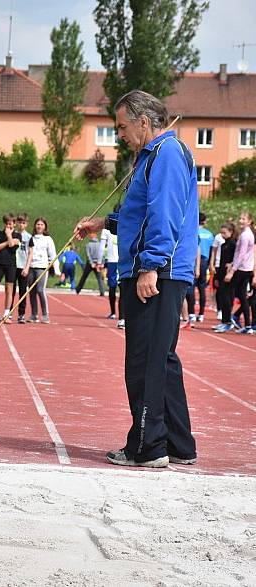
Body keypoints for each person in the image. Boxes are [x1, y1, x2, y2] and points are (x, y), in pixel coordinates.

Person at [76, 89, 198, 468]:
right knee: (162, 359)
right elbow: (140, 215)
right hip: (156, 266)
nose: (120, 135)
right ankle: (179, 444)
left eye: (122, 127)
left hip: (157, 270)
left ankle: (148, 447)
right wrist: (105, 223)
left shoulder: (165, 155)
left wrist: (151, 265)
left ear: (144, 122)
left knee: (145, 360)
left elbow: (165, 214)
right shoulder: (152, 158)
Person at [223, 212, 254, 334]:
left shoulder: (246, 235)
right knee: (242, 296)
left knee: (228, 292)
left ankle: (228, 321)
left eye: (244, 219)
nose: (241, 221)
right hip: (245, 267)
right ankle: (246, 325)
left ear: (249, 221)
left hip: (242, 268)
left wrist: (232, 270)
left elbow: (241, 254)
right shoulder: (246, 234)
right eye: (240, 218)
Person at [23, 217, 58, 324]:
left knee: (40, 290)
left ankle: (45, 314)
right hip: (31, 267)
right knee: (31, 291)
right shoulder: (31, 238)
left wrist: (56, 268)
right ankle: (34, 315)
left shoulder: (48, 239)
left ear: (45, 227)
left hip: (42, 268)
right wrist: (26, 267)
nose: (39, 226)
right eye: (38, 224)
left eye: (41, 224)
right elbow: (27, 253)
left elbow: (53, 254)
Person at [0, 213, 21, 321]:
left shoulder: (18, 235)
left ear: (14, 224)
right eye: (7, 223)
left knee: (9, 289)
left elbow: (13, 247)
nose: (8, 225)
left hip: (11, 265)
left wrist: (9, 236)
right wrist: (9, 241)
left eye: (11, 223)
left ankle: (7, 313)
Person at [188, 212, 215, 322]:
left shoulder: (193, 231)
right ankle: (202, 314)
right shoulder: (209, 234)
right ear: (204, 221)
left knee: (191, 288)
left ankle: (191, 313)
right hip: (205, 261)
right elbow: (213, 249)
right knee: (202, 288)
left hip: (194, 260)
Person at [98, 222, 122, 324]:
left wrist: (99, 261)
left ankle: (113, 313)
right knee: (123, 289)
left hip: (112, 261)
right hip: (123, 261)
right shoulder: (127, 224)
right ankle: (122, 316)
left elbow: (102, 247)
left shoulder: (106, 229)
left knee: (112, 287)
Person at [13, 213, 32, 323]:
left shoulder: (29, 237)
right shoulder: (13, 234)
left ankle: (21, 314)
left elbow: (30, 253)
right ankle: (8, 312)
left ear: (26, 224)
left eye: (23, 223)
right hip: (13, 265)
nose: (21, 225)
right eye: (19, 222)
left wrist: (27, 267)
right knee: (11, 290)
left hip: (23, 266)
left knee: (22, 291)